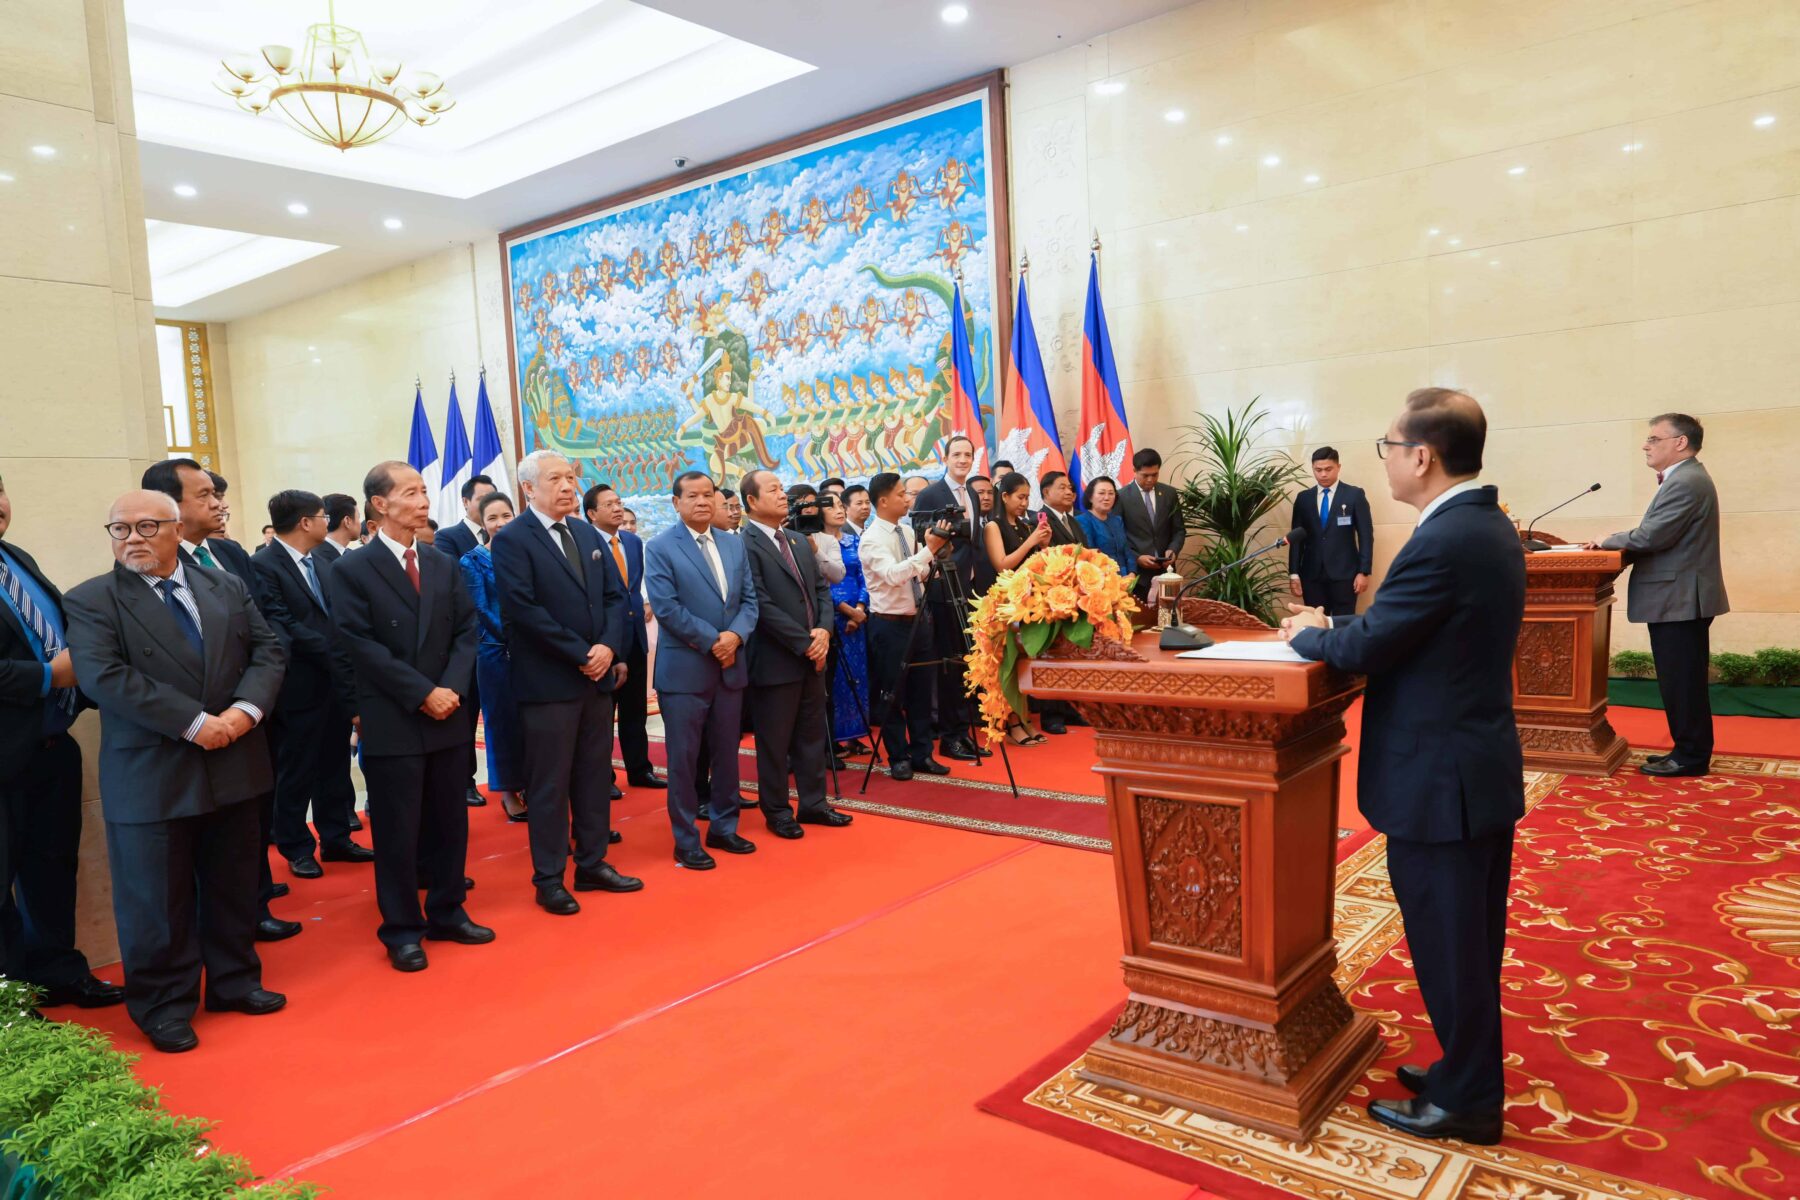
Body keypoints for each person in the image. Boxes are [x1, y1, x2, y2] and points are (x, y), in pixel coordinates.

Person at [1280, 388, 1522, 1146]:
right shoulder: (1480, 523)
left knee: (1452, 945)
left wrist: (1309, 635)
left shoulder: (1445, 538)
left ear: (1422, 455)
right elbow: (1413, 625)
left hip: (1441, 781)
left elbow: (1372, 645)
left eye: (1388, 445)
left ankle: (1470, 1100)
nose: (1382, 457)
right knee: (1466, 940)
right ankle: (1464, 1069)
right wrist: (1338, 622)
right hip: (1468, 767)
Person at [63, 490, 288, 1053]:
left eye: (146, 527)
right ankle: (163, 1004)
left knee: (233, 883)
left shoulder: (224, 585)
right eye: (120, 530)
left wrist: (244, 712)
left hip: (234, 756)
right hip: (153, 770)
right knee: (155, 900)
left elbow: (268, 651)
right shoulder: (91, 599)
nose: (132, 539)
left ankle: (235, 981)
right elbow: (104, 676)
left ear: (176, 529)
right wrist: (194, 723)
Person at [329, 461, 492, 972]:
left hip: (448, 710)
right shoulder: (352, 569)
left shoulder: (440, 562)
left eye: (424, 491)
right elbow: (359, 644)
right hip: (394, 713)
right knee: (398, 830)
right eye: (411, 492)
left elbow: (466, 630)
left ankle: (448, 911)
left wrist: (451, 689)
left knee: (450, 821)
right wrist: (423, 692)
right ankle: (401, 928)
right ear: (380, 504)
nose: (423, 501)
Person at [143, 459, 298, 939]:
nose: (219, 504)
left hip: (254, 706)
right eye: (205, 495)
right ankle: (226, 918)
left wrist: (259, 687)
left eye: (217, 494)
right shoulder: (155, 564)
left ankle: (256, 901)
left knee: (254, 814)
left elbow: (267, 621)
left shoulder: (228, 553)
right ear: (169, 506)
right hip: (203, 723)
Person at [491, 451, 639, 915]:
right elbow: (523, 609)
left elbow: (615, 597)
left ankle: (592, 863)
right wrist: (582, 653)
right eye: (555, 478)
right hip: (549, 683)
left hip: (595, 680)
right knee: (550, 785)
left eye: (571, 477)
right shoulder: (512, 539)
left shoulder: (585, 532)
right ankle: (550, 878)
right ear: (528, 488)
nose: (568, 485)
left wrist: (608, 647)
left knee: (594, 776)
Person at [0, 474, 123, 1013]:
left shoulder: (15, 556)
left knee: (53, 869)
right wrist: (50, 676)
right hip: (4, 754)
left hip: (52, 747)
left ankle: (59, 974)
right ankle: (13, 1003)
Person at [1591, 413, 1727, 777]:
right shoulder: (1685, 478)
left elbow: (1653, 535)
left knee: (1683, 681)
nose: (1645, 445)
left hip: (1680, 598)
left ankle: (1690, 757)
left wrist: (1607, 541)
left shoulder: (1686, 481)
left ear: (1680, 442)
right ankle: (1686, 750)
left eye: (1654, 439)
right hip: (1679, 597)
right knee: (1680, 679)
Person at [249, 490, 370, 879]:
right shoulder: (263, 565)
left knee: (334, 765)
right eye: (322, 516)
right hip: (298, 685)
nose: (326, 522)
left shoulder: (321, 560)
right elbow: (280, 622)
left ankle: (336, 838)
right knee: (297, 770)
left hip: (335, 681)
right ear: (305, 522)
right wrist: (336, 650)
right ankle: (296, 845)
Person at [643, 472, 760, 869]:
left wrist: (735, 637)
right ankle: (686, 839)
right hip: (685, 672)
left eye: (708, 495)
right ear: (676, 503)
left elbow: (749, 602)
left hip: (730, 667)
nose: (702, 502)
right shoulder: (660, 547)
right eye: (692, 496)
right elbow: (667, 607)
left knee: (727, 754)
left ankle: (724, 828)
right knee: (684, 759)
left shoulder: (732, 543)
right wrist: (715, 642)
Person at [740, 471, 851, 838]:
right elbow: (759, 603)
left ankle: (814, 803)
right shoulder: (743, 544)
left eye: (782, 488)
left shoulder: (799, 540)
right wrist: (805, 642)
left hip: (813, 654)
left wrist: (823, 631)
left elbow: (821, 591)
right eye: (773, 490)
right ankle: (777, 810)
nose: (782, 495)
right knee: (774, 742)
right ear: (752, 500)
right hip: (776, 658)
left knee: (811, 734)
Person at [859, 472, 953, 779]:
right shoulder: (872, 538)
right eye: (901, 494)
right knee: (892, 693)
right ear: (883, 501)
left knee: (921, 691)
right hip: (889, 625)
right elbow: (893, 575)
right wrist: (928, 550)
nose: (907, 499)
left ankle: (922, 754)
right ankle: (898, 756)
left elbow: (918, 574)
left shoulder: (907, 531)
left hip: (919, 619)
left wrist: (934, 556)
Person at [909, 435, 985, 763]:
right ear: (946, 457)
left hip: (967, 587)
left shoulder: (973, 492)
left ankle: (962, 731)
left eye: (968, 455)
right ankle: (948, 736)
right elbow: (923, 537)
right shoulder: (931, 493)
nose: (963, 460)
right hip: (942, 588)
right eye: (957, 455)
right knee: (948, 665)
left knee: (965, 663)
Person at [585, 482, 663, 792]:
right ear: (591, 513)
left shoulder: (632, 541)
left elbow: (633, 588)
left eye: (619, 502)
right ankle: (603, 777)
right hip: (605, 640)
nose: (618, 509)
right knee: (604, 715)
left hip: (635, 636)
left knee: (635, 710)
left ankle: (640, 769)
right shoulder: (585, 543)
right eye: (609, 505)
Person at [459, 492, 527, 821]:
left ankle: (534, 782)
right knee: (502, 722)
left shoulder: (526, 554)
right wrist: (518, 636)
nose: (500, 523)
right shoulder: (471, 560)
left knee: (533, 722)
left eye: (506, 516)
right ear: (482, 523)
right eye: (492, 518)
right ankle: (509, 791)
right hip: (495, 652)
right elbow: (481, 609)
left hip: (533, 652)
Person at [984, 472, 1053, 745]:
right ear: (1005, 496)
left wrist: (1044, 546)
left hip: (1026, 603)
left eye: (1027, 498)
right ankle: (1011, 722)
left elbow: (1035, 565)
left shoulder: (1026, 526)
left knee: (1024, 663)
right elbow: (1001, 564)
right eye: (1020, 497)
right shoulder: (994, 526)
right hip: (1003, 605)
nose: (1025, 503)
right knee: (1008, 664)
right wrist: (1032, 542)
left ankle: (1025, 719)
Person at [1288, 446, 1374, 618]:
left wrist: (1364, 571)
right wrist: (1294, 573)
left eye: (1328, 469)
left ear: (1338, 467)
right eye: (1318, 470)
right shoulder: (1303, 498)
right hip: (1312, 575)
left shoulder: (1354, 495)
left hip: (1345, 574)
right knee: (1316, 621)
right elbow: (1296, 539)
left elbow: (1366, 536)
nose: (1323, 474)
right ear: (1313, 468)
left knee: (1342, 623)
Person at [826, 490, 870, 754]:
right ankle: (833, 737)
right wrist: (847, 611)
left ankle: (855, 734)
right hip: (834, 618)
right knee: (836, 681)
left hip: (859, 617)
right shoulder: (817, 544)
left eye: (840, 505)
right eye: (831, 506)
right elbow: (822, 583)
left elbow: (865, 576)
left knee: (857, 677)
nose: (839, 510)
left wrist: (860, 608)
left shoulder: (854, 540)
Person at [1115, 448, 1185, 597]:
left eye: (1154, 475)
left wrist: (1173, 550)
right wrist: (1136, 557)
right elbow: (1117, 536)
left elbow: (1179, 530)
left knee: (1168, 611)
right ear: (1134, 470)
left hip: (1167, 573)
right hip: (1138, 575)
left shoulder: (1169, 494)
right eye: (1145, 475)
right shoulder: (1121, 497)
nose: (1150, 480)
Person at [1077, 476, 1132, 576]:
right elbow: (1090, 555)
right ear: (1090, 497)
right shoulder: (1082, 521)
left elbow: (1127, 551)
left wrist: (1132, 573)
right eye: (1101, 493)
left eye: (1111, 493)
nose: (1107, 498)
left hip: (1127, 577)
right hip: (1101, 577)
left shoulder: (1117, 520)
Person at [437, 475, 495, 561]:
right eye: (482, 499)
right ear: (465, 502)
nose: (489, 505)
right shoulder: (445, 537)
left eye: (493, 499)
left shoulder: (502, 535)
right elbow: (452, 568)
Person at [1038, 471, 1087, 547]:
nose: (1069, 492)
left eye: (1069, 488)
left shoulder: (1074, 520)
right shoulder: (1039, 521)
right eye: (1062, 488)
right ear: (1046, 492)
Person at [313, 494, 359, 563]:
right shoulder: (316, 557)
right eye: (358, 517)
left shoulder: (352, 555)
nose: (360, 523)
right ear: (347, 521)